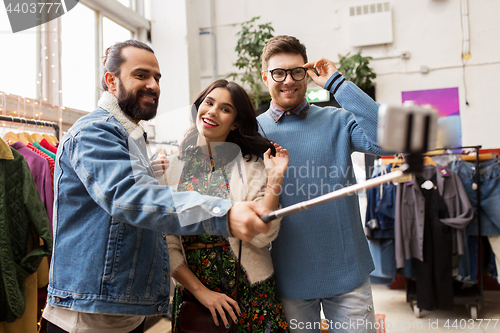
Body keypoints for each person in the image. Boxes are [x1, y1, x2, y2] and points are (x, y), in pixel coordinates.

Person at [42, 40, 271, 333]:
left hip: (125, 308)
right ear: (111, 81)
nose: (153, 85)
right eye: (141, 75)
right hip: (89, 314)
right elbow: (129, 198)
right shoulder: (94, 132)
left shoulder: (132, 137)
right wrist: (224, 213)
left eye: (157, 77)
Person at [257, 35, 389, 333]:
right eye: (279, 72)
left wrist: (337, 83)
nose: (288, 80)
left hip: (348, 274)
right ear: (265, 77)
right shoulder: (254, 132)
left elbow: (387, 141)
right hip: (286, 276)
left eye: (296, 71)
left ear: (307, 73)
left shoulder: (338, 121)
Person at [155, 79, 290, 332]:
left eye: (225, 109)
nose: (213, 112)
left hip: (250, 293)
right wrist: (201, 292)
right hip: (194, 297)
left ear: (236, 122)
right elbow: (167, 243)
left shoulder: (251, 167)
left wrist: (275, 179)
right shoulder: (171, 168)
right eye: (209, 103)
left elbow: (263, 236)